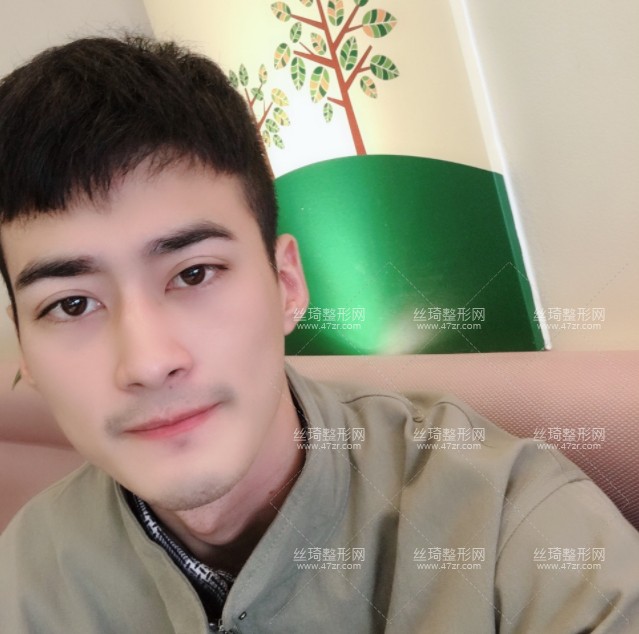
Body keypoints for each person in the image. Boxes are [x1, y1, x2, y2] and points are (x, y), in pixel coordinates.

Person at [0, 35, 637, 634]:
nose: (147, 362)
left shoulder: (511, 528)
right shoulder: (27, 574)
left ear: (286, 284)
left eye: (194, 273)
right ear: (24, 348)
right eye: (71, 304)